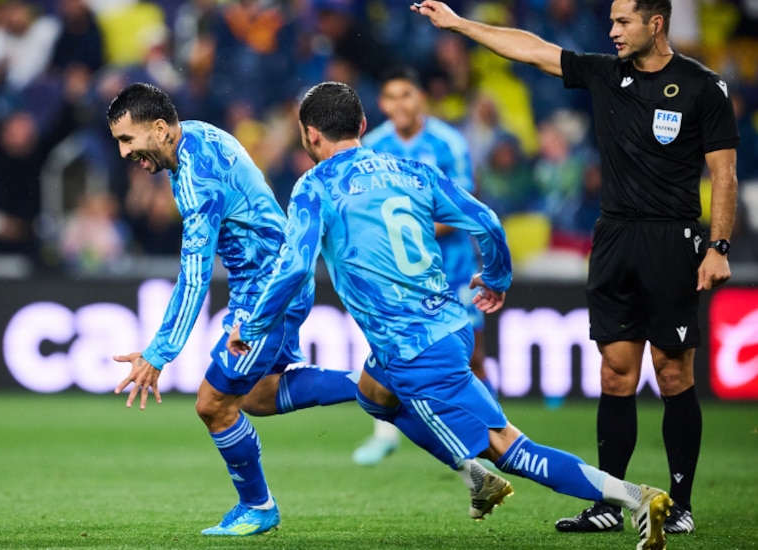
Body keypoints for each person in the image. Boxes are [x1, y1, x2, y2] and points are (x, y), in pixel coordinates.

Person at [227, 81, 673, 550]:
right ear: (362, 125)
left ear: (309, 135)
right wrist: (497, 277)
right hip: (449, 325)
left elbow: (295, 266)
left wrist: (253, 325)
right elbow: (487, 222)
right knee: (374, 394)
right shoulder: (413, 170)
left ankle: (635, 496)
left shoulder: (314, 187)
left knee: (510, 448)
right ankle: (474, 477)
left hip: (415, 350)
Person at [413, 0, 739, 534]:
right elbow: (534, 50)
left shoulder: (703, 87)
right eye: (611, 21)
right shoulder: (606, 74)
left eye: (623, 22)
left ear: (656, 24)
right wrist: (458, 24)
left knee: (673, 371)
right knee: (615, 373)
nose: (611, 32)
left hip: (671, 240)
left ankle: (680, 505)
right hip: (613, 238)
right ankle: (612, 502)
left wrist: (718, 247)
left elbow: (724, 174)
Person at [106, 82, 359, 536]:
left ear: (161, 129)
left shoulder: (197, 181)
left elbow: (194, 276)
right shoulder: (197, 135)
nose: (124, 153)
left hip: (266, 294)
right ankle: (372, 383)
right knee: (259, 396)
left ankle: (258, 506)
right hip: (276, 281)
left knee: (212, 404)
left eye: (128, 140)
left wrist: (158, 354)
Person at [352, 65, 494, 466]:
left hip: (453, 269)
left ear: (422, 100)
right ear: (381, 103)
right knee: (388, 348)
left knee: (472, 356)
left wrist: (408, 235)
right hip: (399, 274)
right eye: (391, 97)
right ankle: (385, 432)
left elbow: (462, 208)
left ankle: (488, 434)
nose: (399, 104)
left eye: (407, 95)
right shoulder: (373, 145)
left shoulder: (448, 143)